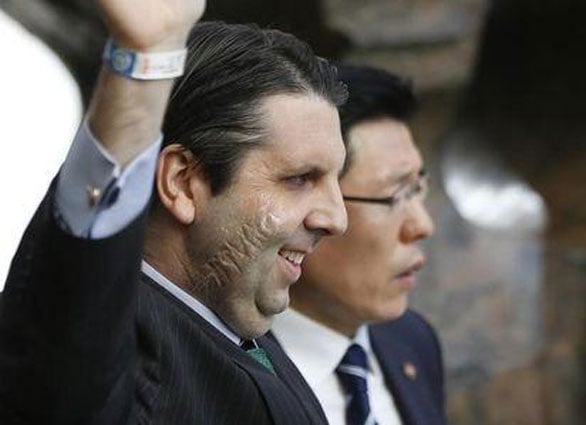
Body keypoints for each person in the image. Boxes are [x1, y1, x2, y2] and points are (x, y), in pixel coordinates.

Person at [0, 0, 348, 424]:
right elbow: (72, 311)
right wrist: (146, 61)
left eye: (335, 180)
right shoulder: (118, 353)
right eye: (299, 179)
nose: (336, 218)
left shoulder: (232, 316)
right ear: (182, 183)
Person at [270, 64, 447, 425]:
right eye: (394, 195)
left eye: (418, 188)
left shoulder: (411, 339)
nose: (422, 225)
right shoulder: (225, 374)